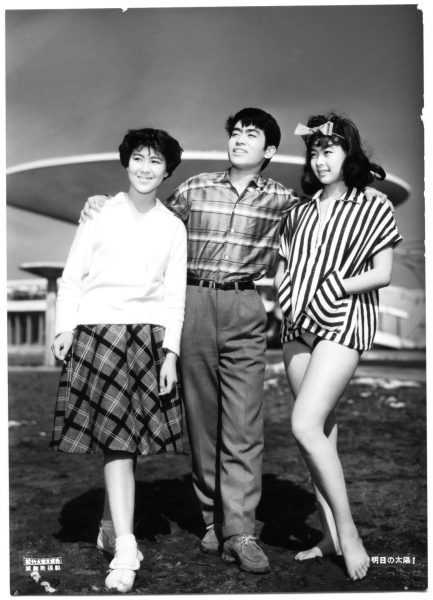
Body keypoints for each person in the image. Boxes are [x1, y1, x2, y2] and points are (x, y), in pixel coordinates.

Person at [81, 107, 388, 574]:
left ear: (270, 149)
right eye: (236, 132)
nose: (240, 139)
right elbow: (150, 216)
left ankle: (241, 530)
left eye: (252, 134)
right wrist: (103, 201)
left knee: (244, 421)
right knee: (203, 420)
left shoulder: (285, 201)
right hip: (194, 303)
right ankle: (212, 520)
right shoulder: (193, 187)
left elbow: (332, 216)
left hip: (245, 305)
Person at [50, 128, 187, 593]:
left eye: (156, 161)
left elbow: (174, 297)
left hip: (147, 337)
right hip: (98, 333)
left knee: (126, 441)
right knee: (118, 442)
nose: (145, 168)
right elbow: (72, 277)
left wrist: (171, 353)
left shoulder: (173, 226)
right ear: (126, 163)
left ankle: (112, 529)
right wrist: (65, 327)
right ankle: (126, 546)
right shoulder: (99, 213)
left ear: (167, 172)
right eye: (138, 158)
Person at [274, 113, 402, 581]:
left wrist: (335, 286)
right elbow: (284, 265)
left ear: (349, 154)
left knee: (303, 424)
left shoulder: (373, 203)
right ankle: (327, 534)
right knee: (321, 432)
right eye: (314, 151)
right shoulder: (298, 212)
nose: (320, 160)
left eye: (329, 150)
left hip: (343, 321)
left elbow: (382, 273)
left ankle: (348, 533)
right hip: (297, 327)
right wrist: (284, 295)